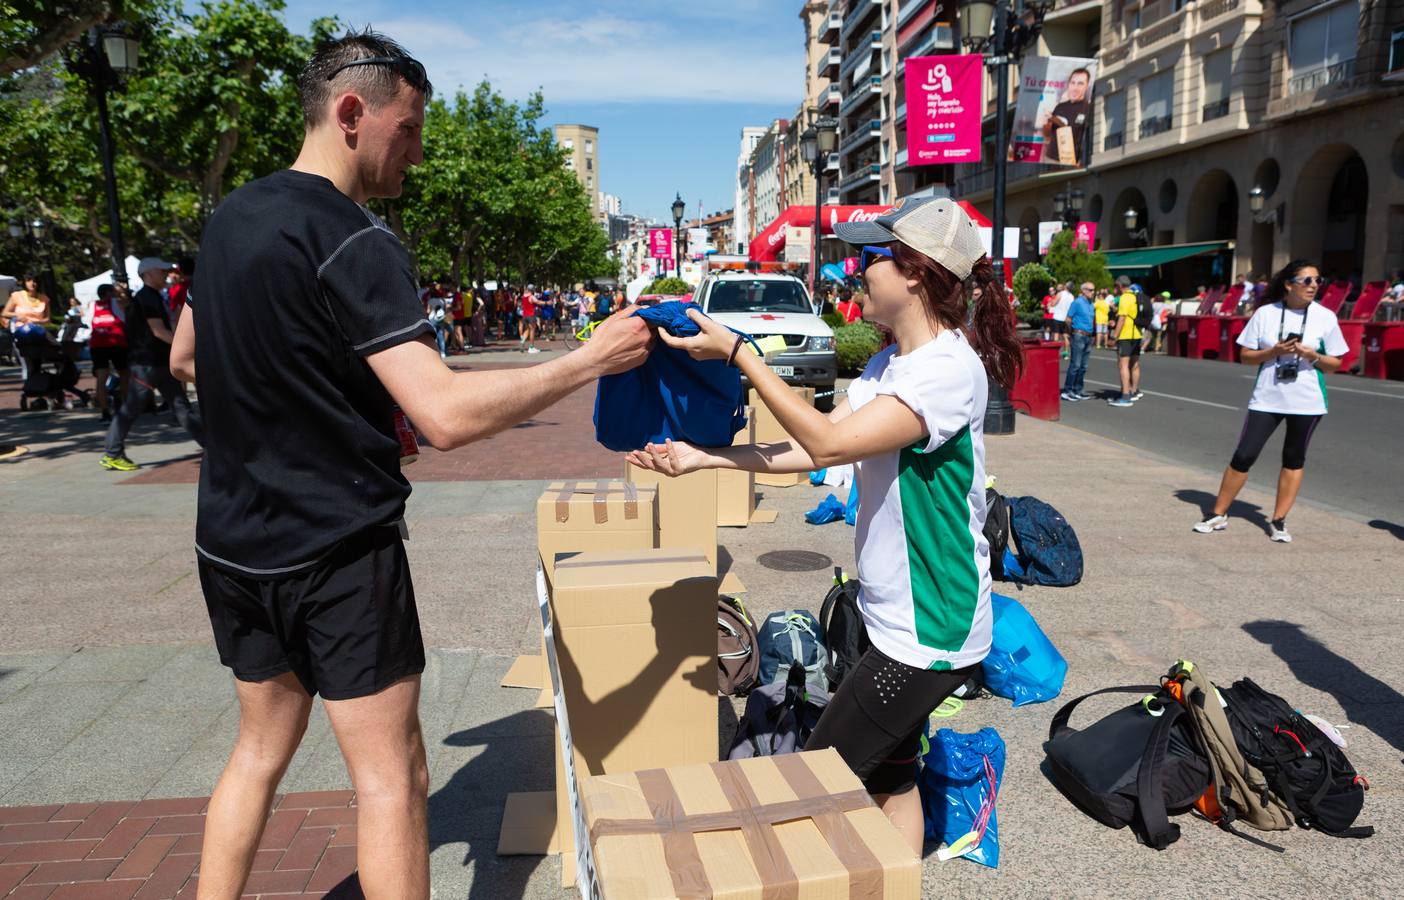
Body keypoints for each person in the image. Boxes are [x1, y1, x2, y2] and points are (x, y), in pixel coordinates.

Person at [165, 30, 650, 900]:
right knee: (393, 777)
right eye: (411, 130)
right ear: (353, 113)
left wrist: (315, 392)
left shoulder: (233, 217)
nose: (417, 155)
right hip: (339, 550)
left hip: (232, 541)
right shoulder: (357, 239)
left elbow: (188, 359)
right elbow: (447, 414)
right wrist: (589, 359)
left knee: (258, 752)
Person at [627, 197, 1021, 855]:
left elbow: (830, 446)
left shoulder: (947, 372)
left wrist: (741, 355)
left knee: (817, 780)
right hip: (890, 611)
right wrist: (704, 458)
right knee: (891, 776)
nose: (856, 270)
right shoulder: (888, 365)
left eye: (873, 258)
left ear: (916, 272)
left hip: (932, 630)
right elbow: (816, 448)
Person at [1192, 260, 1346, 544]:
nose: (1313, 286)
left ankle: (1278, 521)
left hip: (1307, 400)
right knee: (1244, 455)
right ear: (1289, 284)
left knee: (1294, 458)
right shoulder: (1266, 313)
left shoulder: (1325, 317)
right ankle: (1217, 514)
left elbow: (1336, 362)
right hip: (1267, 397)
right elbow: (1245, 356)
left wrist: (1312, 355)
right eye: (1307, 280)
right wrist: (1273, 351)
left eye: (1317, 280)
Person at [99, 258, 203, 471]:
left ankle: (214, 447)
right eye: (161, 271)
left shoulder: (152, 296)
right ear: (148, 274)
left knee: (181, 407)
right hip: (147, 364)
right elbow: (158, 331)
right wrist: (186, 347)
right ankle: (112, 453)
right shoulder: (147, 297)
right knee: (132, 408)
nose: (166, 274)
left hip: (157, 363)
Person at [89, 283, 129, 422]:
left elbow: (88, 323)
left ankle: (105, 411)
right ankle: (126, 407)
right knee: (124, 374)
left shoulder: (92, 305)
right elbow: (127, 311)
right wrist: (122, 291)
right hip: (116, 344)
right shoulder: (116, 302)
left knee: (101, 378)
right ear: (108, 293)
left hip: (98, 345)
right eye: (113, 292)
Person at [1039, 67, 1091, 166]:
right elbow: (1047, 135)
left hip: (1071, 162)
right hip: (1051, 160)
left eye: (1080, 84)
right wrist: (1048, 123)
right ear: (1069, 84)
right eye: (1073, 83)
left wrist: (1081, 161)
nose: (1075, 88)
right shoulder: (1060, 107)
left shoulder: (1088, 109)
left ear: (1087, 86)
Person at [1107, 275, 1144, 407]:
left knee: (1123, 365)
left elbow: (1122, 319)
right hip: (1137, 334)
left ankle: (1125, 396)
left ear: (1119, 285)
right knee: (1134, 364)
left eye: (1116, 286)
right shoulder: (1135, 296)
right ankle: (1133, 391)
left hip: (1126, 335)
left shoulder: (1124, 298)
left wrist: (1113, 337)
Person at [1061, 282, 1095, 402]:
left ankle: (1078, 389)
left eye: (1093, 290)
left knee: (1083, 366)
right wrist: (1071, 332)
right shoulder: (1077, 302)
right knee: (1075, 364)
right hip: (1078, 335)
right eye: (1090, 290)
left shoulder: (1091, 304)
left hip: (1088, 336)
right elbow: (1068, 319)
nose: (1093, 292)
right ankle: (1067, 390)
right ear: (1084, 290)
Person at [1052, 281, 1074, 358]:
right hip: (1066, 318)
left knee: (1056, 335)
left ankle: (1054, 353)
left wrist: (1051, 302)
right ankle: (1066, 354)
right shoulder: (1072, 296)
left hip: (1057, 317)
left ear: (1065, 286)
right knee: (1065, 336)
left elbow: (1053, 304)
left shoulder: (1060, 294)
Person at [518, 284, 538, 353]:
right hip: (531, 315)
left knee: (526, 329)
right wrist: (546, 302)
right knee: (532, 330)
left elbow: (521, 305)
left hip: (524, 315)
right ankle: (531, 347)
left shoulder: (523, 296)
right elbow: (537, 302)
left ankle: (522, 341)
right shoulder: (531, 296)